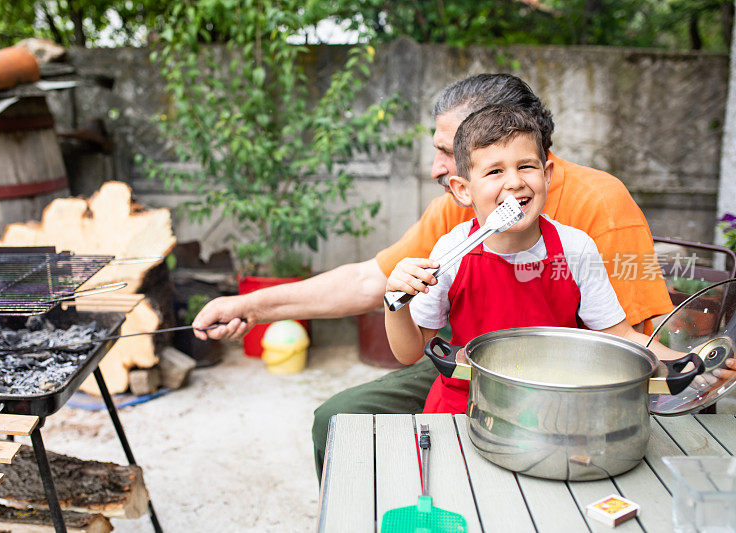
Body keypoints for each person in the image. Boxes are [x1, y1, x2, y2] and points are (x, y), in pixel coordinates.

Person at [192, 74, 681, 481]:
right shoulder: (456, 217)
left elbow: (629, 336)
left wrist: (688, 364)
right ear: (468, 184)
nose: (434, 169)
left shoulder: (594, 213)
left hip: (558, 379)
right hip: (468, 359)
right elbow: (376, 285)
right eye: (465, 163)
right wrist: (248, 307)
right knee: (339, 418)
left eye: (447, 150)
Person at [385, 104, 684, 414]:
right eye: (495, 171)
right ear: (463, 190)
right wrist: (393, 304)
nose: (514, 182)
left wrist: (691, 361)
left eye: (526, 166)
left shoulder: (574, 248)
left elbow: (621, 335)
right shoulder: (451, 252)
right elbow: (410, 353)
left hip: (555, 408)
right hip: (465, 407)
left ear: (547, 175)